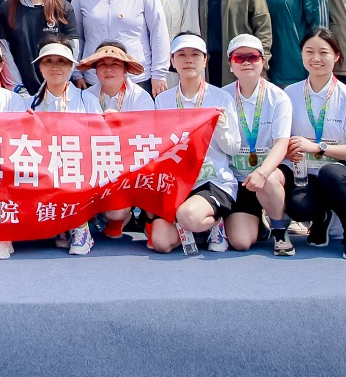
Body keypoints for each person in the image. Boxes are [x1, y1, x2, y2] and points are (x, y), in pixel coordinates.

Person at [283, 30, 346, 260]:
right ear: (301, 55)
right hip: (306, 174)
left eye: (323, 52)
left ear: (336, 56)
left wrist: (318, 147)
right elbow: (282, 138)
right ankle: (321, 217)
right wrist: (289, 150)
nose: (316, 58)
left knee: (331, 172)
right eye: (309, 52)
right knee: (297, 206)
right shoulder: (289, 94)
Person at [150, 35, 243, 255]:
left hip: (213, 180)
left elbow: (233, 148)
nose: (188, 60)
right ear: (172, 61)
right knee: (161, 242)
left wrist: (220, 127)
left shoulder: (221, 98)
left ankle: (215, 222)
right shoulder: (163, 100)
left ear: (205, 60)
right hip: (177, 183)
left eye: (195, 55)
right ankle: (200, 229)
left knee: (188, 215)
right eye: (181, 55)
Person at [220, 34, 295, 255]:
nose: (246, 62)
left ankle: (279, 229)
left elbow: (282, 143)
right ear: (230, 64)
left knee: (268, 181)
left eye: (252, 57)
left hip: (270, 174)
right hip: (239, 179)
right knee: (241, 242)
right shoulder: (222, 96)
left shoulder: (278, 97)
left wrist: (262, 172)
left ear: (263, 61)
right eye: (239, 58)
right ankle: (259, 223)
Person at [29, 38, 100, 255]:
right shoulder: (30, 104)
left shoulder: (87, 100)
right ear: (40, 67)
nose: (55, 67)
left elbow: (100, 139)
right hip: (44, 169)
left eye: (61, 61)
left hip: (80, 168)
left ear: (71, 67)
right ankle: (61, 224)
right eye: (48, 61)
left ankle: (80, 228)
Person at [75, 41, 152, 243]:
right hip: (94, 163)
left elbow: (149, 138)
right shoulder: (85, 96)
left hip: (129, 165)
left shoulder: (141, 97)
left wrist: (122, 125)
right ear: (95, 69)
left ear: (125, 69)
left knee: (117, 211)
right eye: (102, 64)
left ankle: (127, 217)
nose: (108, 69)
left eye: (115, 64)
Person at [0, 0, 77, 96]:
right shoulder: (6, 10)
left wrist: (57, 85)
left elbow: (73, 49)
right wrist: (19, 90)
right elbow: (5, 53)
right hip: (20, 94)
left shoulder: (63, 7)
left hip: (57, 91)